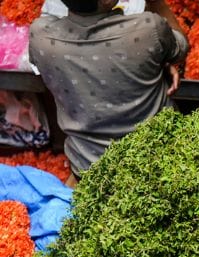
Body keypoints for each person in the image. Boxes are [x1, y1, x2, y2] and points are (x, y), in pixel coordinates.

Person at [28, 0, 187, 178]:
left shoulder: (40, 35)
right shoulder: (147, 29)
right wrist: (156, 3)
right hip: (157, 162)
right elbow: (180, 47)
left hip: (88, 167)